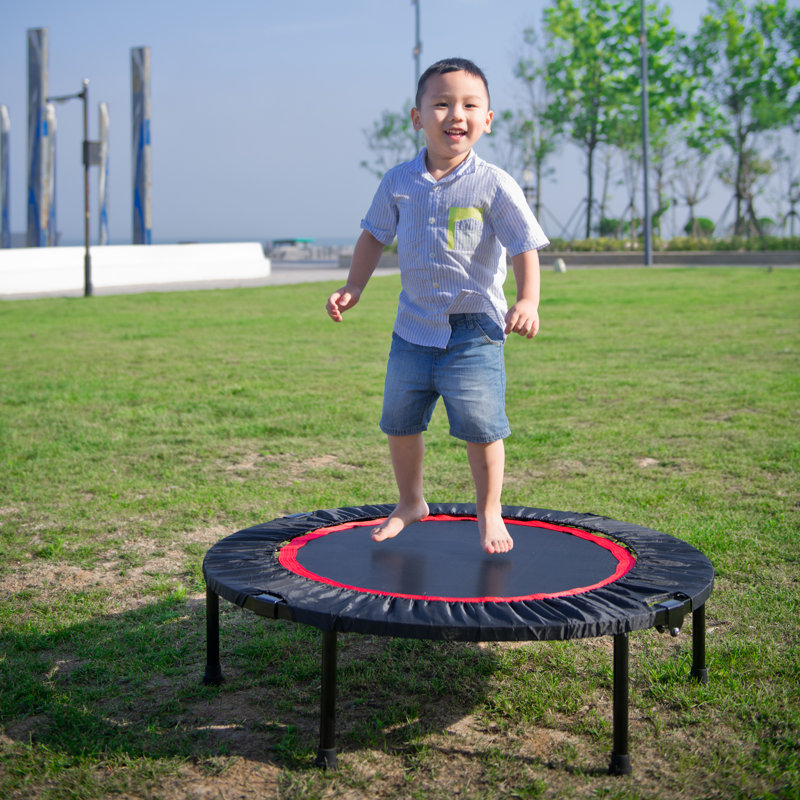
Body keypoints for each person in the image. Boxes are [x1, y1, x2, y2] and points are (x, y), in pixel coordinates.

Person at [326, 58, 549, 554]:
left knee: (482, 428)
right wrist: (353, 287)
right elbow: (372, 237)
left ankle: (489, 511)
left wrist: (528, 299)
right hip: (412, 330)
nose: (456, 113)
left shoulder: (494, 183)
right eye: (442, 103)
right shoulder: (399, 181)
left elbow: (523, 247)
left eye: (470, 105)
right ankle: (411, 501)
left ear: (487, 120)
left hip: (475, 332)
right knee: (399, 422)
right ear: (417, 117)